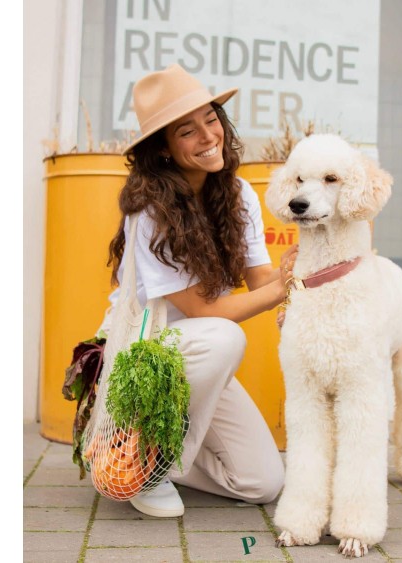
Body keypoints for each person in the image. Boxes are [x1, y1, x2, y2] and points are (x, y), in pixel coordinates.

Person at [98, 64, 298, 518]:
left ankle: (128, 454)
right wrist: (280, 292)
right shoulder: (150, 209)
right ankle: (151, 466)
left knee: (261, 483)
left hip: (202, 362)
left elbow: (261, 279)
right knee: (224, 337)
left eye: (211, 120)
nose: (209, 136)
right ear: (164, 150)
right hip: (146, 354)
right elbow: (203, 310)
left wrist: (302, 275)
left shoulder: (239, 192)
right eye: (187, 131)